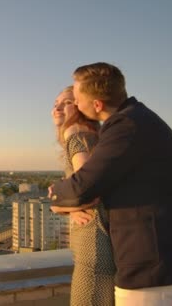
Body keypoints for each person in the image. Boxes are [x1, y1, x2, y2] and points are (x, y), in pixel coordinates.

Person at [48, 62, 172, 306]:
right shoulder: (137, 119)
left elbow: (83, 189)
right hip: (171, 256)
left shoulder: (125, 127)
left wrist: (54, 196)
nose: (75, 105)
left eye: (76, 100)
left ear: (97, 104)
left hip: (154, 267)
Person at [51, 86, 116, 306]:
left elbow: (87, 189)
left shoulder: (77, 134)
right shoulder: (94, 136)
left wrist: (58, 207)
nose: (58, 108)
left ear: (80, 105)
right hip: (99, 237)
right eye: (56, 103)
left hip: (94, 243)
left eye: (67, 102)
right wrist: (72, 207)